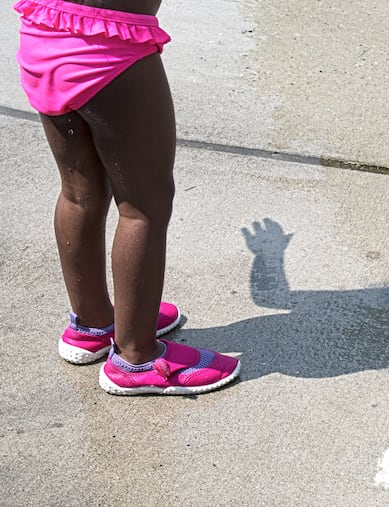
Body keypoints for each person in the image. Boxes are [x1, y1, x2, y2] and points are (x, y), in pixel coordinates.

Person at [14, 0, 240, 395]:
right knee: (145, 206)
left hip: (44, 31)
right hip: (109, 47)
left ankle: (91, 325)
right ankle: (138, 357)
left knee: (79, 192)